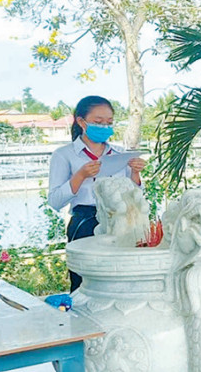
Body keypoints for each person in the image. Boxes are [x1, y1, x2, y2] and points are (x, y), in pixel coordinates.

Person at [48, 95, 145, 291]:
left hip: (120, 221)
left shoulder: (119, 154)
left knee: (120, 278)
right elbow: (55, 201)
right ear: (81, 121)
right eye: (98, 122)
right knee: (84, 282)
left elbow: (134, 196)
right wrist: (80, 175)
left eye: (109, 123)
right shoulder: (64, 155)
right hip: (85, 222)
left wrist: (135, 172)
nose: (104, 128)